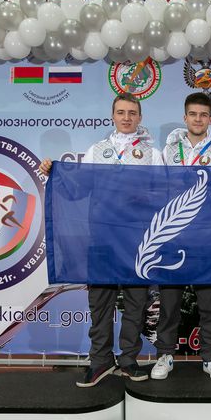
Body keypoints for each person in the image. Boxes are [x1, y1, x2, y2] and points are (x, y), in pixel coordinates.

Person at [41, 93, 163, 387]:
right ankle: (100, 361)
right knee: (100, 303)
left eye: (132, 113)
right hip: (102, 237)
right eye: (121, 112)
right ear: (112, 116)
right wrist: (55, 173)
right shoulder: (97, 150)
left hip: (137, 240)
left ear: (140, 117)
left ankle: (129, 360)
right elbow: (78, 188)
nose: (126, 118)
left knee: (136, 303)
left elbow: (163, 193)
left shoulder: (153, 154)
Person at [151, 92, 211, 382]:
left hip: (208, 238)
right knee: (169, 303)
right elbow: (158, 188)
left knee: (210, 304)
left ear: (210, 119)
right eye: (193, 114)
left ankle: (210, 357)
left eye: (203, 115)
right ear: (185, 117)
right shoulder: (168, 152)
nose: (198, 119)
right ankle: (165, 354)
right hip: (172, 236)